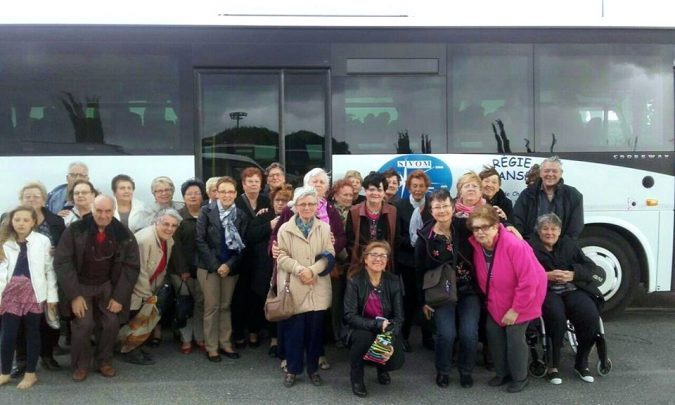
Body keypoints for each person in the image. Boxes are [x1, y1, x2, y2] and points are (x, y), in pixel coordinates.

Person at [54, 195, 140, 382]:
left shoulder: (123, 233)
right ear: (92, 210)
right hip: (81, 286)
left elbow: (131, 267)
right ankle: (81, 365)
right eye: (99, 211)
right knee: (83, 325)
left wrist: (119, 297)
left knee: (110, 323)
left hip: (107, 286)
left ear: (113, 210)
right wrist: (74, 295)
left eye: (108, 211)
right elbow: (63, 262)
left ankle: (104, 362)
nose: (103, 215)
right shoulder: (75, 230)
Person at [270, 168, 346, 370]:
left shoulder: (329, 214)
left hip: (318, 277)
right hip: (292, 278)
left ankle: (314, 361)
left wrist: (313, 269)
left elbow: (336, 241)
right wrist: (277, 252)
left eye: (322, 182)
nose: (318, 185)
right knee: (292, 323)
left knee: (315, 325)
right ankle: (291, 361)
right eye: (314, 182)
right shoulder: (288, 215)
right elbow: (277, 241)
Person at [467, 205, 547, 393]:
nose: (480, 232)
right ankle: (502, 373)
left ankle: (520, 377)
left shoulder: (513, 244)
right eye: (476, 228)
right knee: (493, 333)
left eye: (485, 227)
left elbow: (529, 281)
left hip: (525, 298)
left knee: (514, 337)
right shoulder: (477, 245)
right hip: (497, 298)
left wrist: (516, 310)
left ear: (496, 226)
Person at [529, 213, 605, 384]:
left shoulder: (569, 244)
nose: (550, 232)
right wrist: (546, 276)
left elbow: (591, 268)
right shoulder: (530, 247)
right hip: (546, 290)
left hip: (572, 288)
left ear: (560, 230)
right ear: (538, 231)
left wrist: (573, 274)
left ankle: (582, 362)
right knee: (556, 316)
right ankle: (553, 365)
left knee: (589, 314)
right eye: (545, 229)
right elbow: (523, 272)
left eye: (554, 229)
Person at [416, 188, 480, 388]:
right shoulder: (425, 237)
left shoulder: (464, 227)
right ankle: (443, 371)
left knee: (469, 333)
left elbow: (489, 225)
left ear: (453, 207)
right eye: (437, 207)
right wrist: (423, 301)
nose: (442, 210)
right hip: (441, 292)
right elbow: (418, 271)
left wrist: (509, 225)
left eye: (445, 206)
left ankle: (466, 371)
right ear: (431, 210)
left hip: (468, 289)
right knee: (446, 334)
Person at [276, 186, 335, 388]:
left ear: (317, 206)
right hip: (295, 286)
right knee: (294, 333)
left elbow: (329, 254)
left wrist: (313, 270)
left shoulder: (325, 228)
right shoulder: (285, 228)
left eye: (311, 204)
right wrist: (301, 269)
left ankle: (313, 369)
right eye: (303, 204)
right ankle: (292, 370)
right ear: (296, 206)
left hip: (317, 286)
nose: (307, 207)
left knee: (315, 333)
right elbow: (281, 256)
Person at [0, 206, 58, 390]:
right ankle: (5, 372)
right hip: (10, 293)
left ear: (33, 222)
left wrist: (51, 296)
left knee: (32, 332)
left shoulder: (43, 241)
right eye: (17, 219)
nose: (21, 223)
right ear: (11, 221)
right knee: (8, 335)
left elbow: (49, 270)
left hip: (34, 293)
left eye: (26, 220)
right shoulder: (4, 242)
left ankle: (31, 373)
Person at [12, 182, 66, 375]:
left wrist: (57, 250)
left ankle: (47, 355)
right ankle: (22, 361)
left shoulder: (56, 221)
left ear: (44, 199)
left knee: (48, 320)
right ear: (21, 200)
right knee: (20, 322)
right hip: (20, 279)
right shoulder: (10, 219)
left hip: (48, 277)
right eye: (27, 196)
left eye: (36, 196)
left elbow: (65, 247)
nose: (32, 199)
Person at [195, 176, 248, 362]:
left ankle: (225, 343)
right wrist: (217, 265)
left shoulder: (240, 215)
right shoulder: (206, 211)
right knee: (211, 307)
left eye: (230, 191)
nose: (226, 195)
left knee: (225, 306)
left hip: (230, 268)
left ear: (235, 194)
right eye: (223, 191)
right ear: (216, 193)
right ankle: (211, 347)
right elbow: (200, 240)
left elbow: (242, 244)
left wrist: (228, 265)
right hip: (209, 268)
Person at [343, 240, 405, 398]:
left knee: (394, 355)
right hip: (360, 327)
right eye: (374, 255)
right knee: (363, 338)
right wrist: (376, 324)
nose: (379, 259)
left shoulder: (394, 281)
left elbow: (399, 316)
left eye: (383, 256)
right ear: (365, 259)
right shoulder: (354, 280)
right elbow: (349, 315)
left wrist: (390, 335)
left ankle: (382, 368)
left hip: (385, 327)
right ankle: (357, 377)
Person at [121, 208, 181, 365]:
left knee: (143, 319)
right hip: (135, 287)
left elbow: (162, 267)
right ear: (157, 222)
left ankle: (135, 347)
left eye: (174, 225)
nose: (169, 228)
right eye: (165, 224)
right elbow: (138, 270)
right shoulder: (145, 239)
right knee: (136, 319)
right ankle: (130, 351)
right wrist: (147, 295)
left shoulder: (168, 239)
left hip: (149, 285)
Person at [245, 184, 293, 357]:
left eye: (285, 201)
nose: (281, 204)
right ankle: (254, 332)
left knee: (278, 301)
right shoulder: (264, 215)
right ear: (272, 201)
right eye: (278, 200)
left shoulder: (292, 217)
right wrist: (269, 226)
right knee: (258, 299)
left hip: (283, 267)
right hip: (261, 266)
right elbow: (249, 236)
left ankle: (275, 338)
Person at [394, 170, 434, 352]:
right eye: (414, 186)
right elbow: (397, 235)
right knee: (409, 301)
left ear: (427, 187)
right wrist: (414, 243)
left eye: (421, 186)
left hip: (428, 261)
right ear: (409, 187)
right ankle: (404, 336)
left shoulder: (433, 206)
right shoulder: (399, 206)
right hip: (407, 261)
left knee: (427, 299)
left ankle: (427, 336)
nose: (418, 190)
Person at [233, 167, 271, 348]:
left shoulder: (266, 201)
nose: (254, 185)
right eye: (250, 181)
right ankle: (239, 332)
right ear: (243, 184)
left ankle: (255, 331)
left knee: (257, 297)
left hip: (261, 258)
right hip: (241, 258)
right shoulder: (236, 203)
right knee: (240, 298)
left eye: (257, 181)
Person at [168, 178, 207, 355]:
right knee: (184, 304)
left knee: (200, 304)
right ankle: (186, 339)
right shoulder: (178, 217)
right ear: (183, 196)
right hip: (181, 270)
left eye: (196, 193)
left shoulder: (207, 213)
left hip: (203, 268)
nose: (193, 196)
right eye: (189, 193)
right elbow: (175, 246)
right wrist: (183, 270)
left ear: (202, 195)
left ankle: (199, 336)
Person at [513, 156, 584, 240]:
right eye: (546, 171)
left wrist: (563, 247)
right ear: (540, 173)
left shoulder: (573, 195)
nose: (550, 174)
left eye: (554, 171)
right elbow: (517, 221)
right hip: (532, 245)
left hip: (561, 247)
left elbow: (575, 228)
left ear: (561, 173)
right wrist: (528, 243)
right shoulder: (527, 194)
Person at [345, 171, 397, 270]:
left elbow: (396, 240)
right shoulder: (354, 211)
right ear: (365, 190)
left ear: (384, 192)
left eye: (379, 190)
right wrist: (365, 258)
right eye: (371, 189)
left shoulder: (393, 211)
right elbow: (350, 241)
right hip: (360, 263)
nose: (375, 193)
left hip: (385, 263)